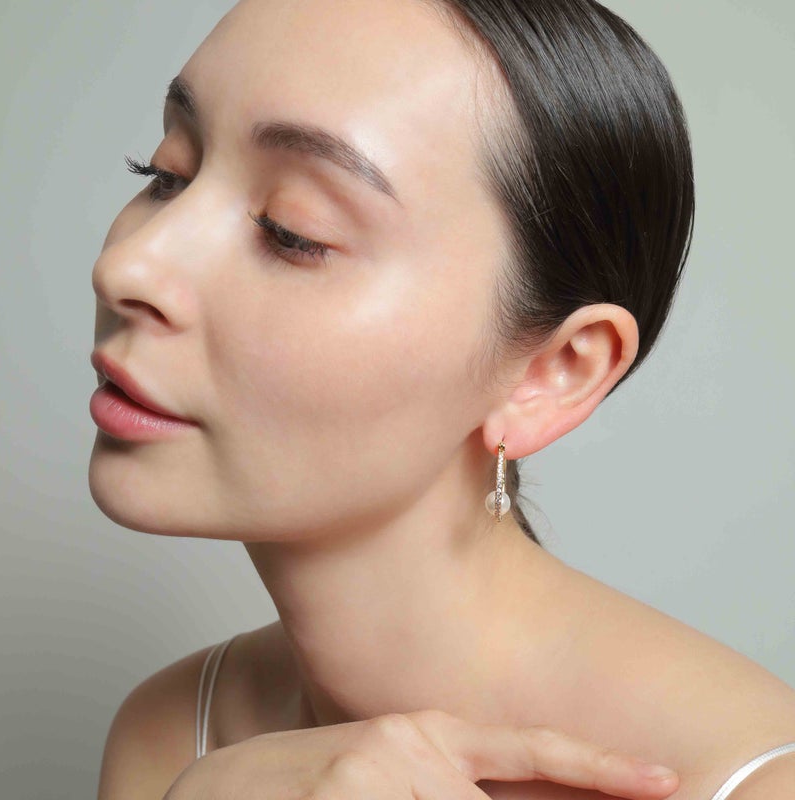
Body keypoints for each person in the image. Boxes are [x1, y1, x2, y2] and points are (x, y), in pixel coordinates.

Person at [87, 0, 795, 798]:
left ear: (553, 371)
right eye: (166, 174)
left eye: (291, 231)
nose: (128, 267)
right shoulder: (173, 738)